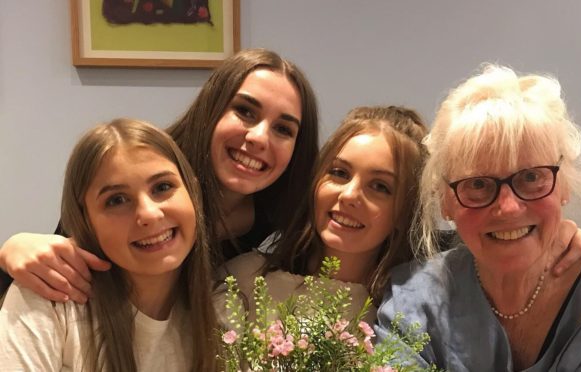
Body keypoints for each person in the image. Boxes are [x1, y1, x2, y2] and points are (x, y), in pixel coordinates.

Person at [0, 48, 319, 303]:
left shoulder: (283, 210)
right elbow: (56, 259)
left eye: (283, 129)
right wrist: (14, 249)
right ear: (212, 108)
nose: (259, 138)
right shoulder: (141, 170)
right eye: (245, 111)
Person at [376, 65, 581, 371]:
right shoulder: (413, 299)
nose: (508, 208)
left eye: (531, 176)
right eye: (477, 184)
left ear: (564, 185)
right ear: (445, 202)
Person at [0, 119, 217, 371]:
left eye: (163, 187)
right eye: (117, 200)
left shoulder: (225, 310)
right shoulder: (49, 297)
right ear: (85, 221)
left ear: (192, 191)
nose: (149, 214)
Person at [219, 106, 430, 323]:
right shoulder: (243, 282)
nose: (349, 195)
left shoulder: (406, 317)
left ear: (405, 214)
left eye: (380, 187)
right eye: (339, 173)